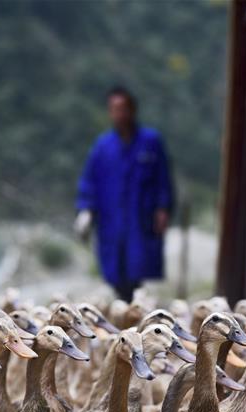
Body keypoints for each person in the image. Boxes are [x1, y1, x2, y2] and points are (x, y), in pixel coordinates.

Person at [74, 86, 174, 301]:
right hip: (112, 221)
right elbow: (89, 180)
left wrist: (163, 208)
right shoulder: (103, 147)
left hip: (140, 220)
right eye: (114, 109)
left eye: (123, 109)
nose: (119, 114)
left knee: (138, 270)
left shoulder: (150, 142)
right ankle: (122, 314)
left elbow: (163, 180)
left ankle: (136, 314)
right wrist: (85, 210)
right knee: (115, 273)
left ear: (133, 110)